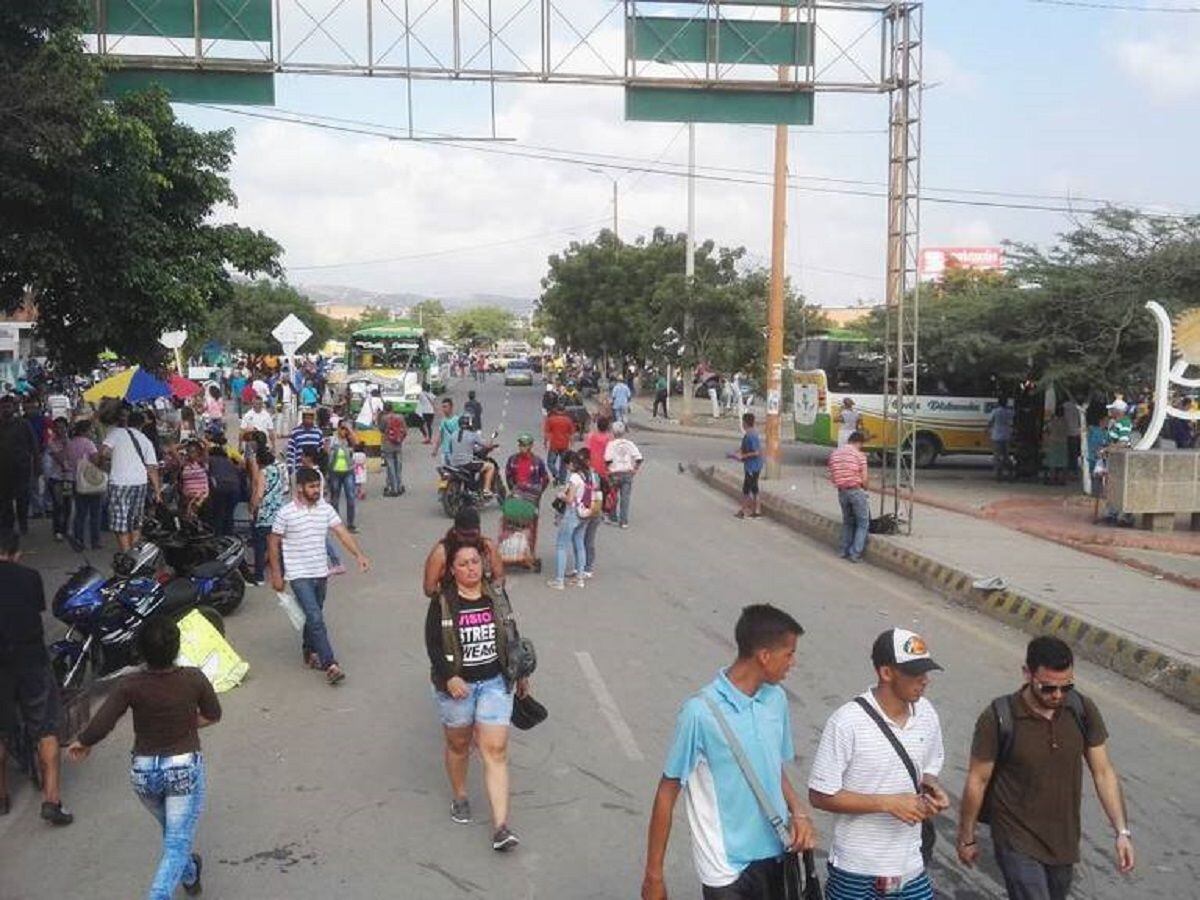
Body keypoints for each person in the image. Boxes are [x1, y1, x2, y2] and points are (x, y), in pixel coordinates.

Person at [641, 604, 815, 900]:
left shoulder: (776, 700)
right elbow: (667, 793)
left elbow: (773, 767)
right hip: (725, 870)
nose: (793, 662)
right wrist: (653, 877)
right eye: (789, 653)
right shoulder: (700, 713)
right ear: (764, 656)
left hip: (775, 853)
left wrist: (798, 812)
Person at [956, 636, 1134, 900]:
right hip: (1015, 838)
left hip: (1063, 841)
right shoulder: (998, 717)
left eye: (1066, 687)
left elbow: (1103, 772)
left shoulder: (1081, 709)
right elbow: (977, 781)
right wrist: (967, 836)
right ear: (1027, 674)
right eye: (1048, 688)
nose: (1058, 696)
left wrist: (1121, 832)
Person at [68, 616, 220, 898]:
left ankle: (189, 874)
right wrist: (185, 723)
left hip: (144, 774)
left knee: (174, 834)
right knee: (176, 841)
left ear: (141, 650)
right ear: (176, 647)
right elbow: (213, 715)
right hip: (183, 768)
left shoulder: (130, 684)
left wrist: (84, 741)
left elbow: (105, 719)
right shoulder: (193, 678)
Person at [808, 629, 949, 900]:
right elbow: (820, 795)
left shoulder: (927, 714)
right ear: (886, 673)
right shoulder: (847, 722)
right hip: (856, 870)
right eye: (915, 673)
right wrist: (888, 803)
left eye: (926, 672)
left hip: (910, 865)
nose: (925, 680)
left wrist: (932, 791)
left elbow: (928, 770)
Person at [425, 543, 528, 852]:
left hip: (495, 682)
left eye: (475, 562)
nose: (471, 568)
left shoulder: (496, 597)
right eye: (463, 564)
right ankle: (460, 795)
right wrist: (449, 676)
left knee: (494, 750)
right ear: (452, 570)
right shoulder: (443, 602)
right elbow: (432, 643)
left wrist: (521, 673)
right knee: (459, 745)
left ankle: (501, 827)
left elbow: (512, 635)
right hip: (458, 688)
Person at [268, 468, 370, 685]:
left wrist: (358, 555)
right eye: (312, 487)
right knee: (315, 616)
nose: (317, 491)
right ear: (300, 488)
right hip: (298, 574)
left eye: (318, 486)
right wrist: (277, 574)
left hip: (320, 572)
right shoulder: (285, 513)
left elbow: (341, 532)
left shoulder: (325, 509)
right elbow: (273, 542)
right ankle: (330, 663)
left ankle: (309, 650)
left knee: (313, 615)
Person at [0, 531, 73, 824]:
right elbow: (35, 611)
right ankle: (52, 800)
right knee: (46, 727)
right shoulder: (30, 577)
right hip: (31, 659)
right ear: (17, 554)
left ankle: (2, 797)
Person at [101, 408, 163, 552]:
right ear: (142, 425)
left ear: (128, 422)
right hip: (140, 482)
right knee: (136, 520)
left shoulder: (116, 433)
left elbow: (103, 452)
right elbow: (152, 468)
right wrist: (158, 491)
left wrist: (107, 460)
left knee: (120, 521)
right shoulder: (145, 440)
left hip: (119, 483)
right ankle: (134, 552)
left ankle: (126, 552)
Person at [423, 507, 506, 598]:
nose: (468, 540)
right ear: (455, 531)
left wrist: (488, 590)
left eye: (472, 535)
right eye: (464, 535)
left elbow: (500, 577)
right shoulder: (441, 552)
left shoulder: (487, 547)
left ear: (479, 531)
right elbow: (429, 589)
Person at [547, 451, 587, 590]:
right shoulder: (585, 474)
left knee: (561, 546)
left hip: (572, 513)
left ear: (570, 464)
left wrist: (561, 495)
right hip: (584, 513)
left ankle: (559, 580)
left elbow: (569, 499)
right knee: (580, 543)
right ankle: (580, 577)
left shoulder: (575, 478)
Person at [827, 431, 870, 563]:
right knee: (863, 523)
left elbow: (832, 475)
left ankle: (843, 550)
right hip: (856, 490)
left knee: (847, 522)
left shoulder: (834, 455)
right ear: (859, 443)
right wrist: (865, 488)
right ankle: (855, 553)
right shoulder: (860, 455)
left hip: (842, 491)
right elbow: (865, 479)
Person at [249, 445, 287, 586]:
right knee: (277, 545)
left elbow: (259, 494)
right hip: (278, 513)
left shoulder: (262, 472)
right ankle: (282, 574)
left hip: (265, 514)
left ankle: (259, 577)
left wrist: (253, 508)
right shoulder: (278, 470)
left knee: (260, 546)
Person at [0, 395, 37, 535]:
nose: (6, 410)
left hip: (21, 468)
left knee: (22, 498)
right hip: (2, 470)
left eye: (8, 407)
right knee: (4, 500)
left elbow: (34, 445)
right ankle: (7, 526)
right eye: (3, 407)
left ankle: (23, 523)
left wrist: (37, 465)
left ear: (13, 408)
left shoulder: (23, 424)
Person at [66, 419, 102, 550]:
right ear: (85, 431)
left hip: (76, 480)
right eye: (91, 430)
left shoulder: (70, 443)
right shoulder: (89, 444)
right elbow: (95, 460)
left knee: (80, 513)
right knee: (94, 513)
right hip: (90, 480)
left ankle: (79, 539)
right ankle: (95, 541)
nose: (92, 432)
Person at [604, 421, 642, 528]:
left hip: (615, 473)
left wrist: (607, 470)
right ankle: (624, 521)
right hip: (627, 472)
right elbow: (639, 458)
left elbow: (607, 460)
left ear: (613, 432)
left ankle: (613, 516)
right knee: (625, 498)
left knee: (613, 495)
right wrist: (635, 469)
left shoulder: (611, 444)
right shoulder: (629, 444)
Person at [449, 416, 497, 496]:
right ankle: (486, 490)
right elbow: (487, 445)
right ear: (470, 424)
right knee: (490, 466)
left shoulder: (453, 434)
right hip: (467, 463)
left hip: (454, 464)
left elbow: (452, 448)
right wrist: (492, 440)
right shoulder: (473, 435)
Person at [326, 422, 360, 533]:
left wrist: (350, 431)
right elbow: (326, 451)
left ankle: (351, 524)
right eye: (342, 428)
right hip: (334, 472)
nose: (344, 431)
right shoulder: (333, 439)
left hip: (348, 472)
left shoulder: (349, 440)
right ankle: (336, 523)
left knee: (351, 497)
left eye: (346, 429)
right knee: (335, 497)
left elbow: (357, 443)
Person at [574, 447, 603, 579]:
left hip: (593, 510)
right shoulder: (578, 474)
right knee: (577, 539)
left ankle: (588, 568)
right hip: (581, 509)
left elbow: (596, 492)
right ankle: (579, 565)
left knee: (588, 540)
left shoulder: (593, 475)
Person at [43, 417, 73, 541]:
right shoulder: (51, 442)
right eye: (58, 427)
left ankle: (65, 529)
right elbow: (59, 458)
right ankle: (57, 530)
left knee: (67, 504)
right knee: (58, 504)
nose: (60, 430)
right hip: (56, 478)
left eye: (63, 427)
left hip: (68, 478)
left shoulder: (71, 441)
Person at [205, 437, 242, 537]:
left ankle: (219, 538)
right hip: (235, 489)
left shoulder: (211, 460)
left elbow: (207, 473)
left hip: (220, 488)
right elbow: (239, 470)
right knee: (229, 514)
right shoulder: (229, 461)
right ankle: (229, 536)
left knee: (219, 514)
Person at [732, 413, 763, 519]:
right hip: (753, 465)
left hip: (752, 467)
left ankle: (743, 510)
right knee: (754, 488)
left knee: (746, 489)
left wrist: (743, 456)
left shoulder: (751, 436)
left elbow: (756, 452)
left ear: (745, 423)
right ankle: (757, 510)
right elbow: (743, 448)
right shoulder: (749, 434)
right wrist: (735, 454)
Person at [379, 402, 408, 497]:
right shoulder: (400, 417)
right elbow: (405, 431)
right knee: (398, 466)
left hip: (388, 444)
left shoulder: (384, 418)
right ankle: (399, 486)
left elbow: (381, 429)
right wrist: (400, 439)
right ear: (392, 408)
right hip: (398, 444)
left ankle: (393, 488)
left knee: (390, 466)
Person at [543, 402, 575, 484]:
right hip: (564, 444)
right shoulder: (568, 420)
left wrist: (545, 442)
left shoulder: (551, 420)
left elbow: (546, 433)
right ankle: (562, 480)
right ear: (564, 410)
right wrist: (572, 443)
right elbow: (571, 434)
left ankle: (556, 474)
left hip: (554, 445)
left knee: (550, 463)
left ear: (556, 410)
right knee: (563, 463)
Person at [177, 441, 210, 521]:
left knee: (195, 513)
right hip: (188, 496)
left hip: (201, 496)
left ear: (198, 452)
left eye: (194, 451)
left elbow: (207, 445)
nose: (191, 454)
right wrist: (184, 445)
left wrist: (198, 440)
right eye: (189, 451)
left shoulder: (202, 463)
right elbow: (172, 449)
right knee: (186, 517)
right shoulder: (184, 464)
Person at [287, 407, 325, 474]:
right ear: (303, 418)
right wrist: (290, 467)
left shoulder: (318, 432)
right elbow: (291, 451)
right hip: (299, 469)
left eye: (311, 418)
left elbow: (321, 450)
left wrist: (320, 467)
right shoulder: (295, 432)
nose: (309, 420)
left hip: (314, 468)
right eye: (307, 418)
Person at [989, 399, 1015, 481]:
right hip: (1006, 436)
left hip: (996, 436)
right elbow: (1013, 419)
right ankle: (1010, 473)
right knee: (1006, 456)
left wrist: (987, 429)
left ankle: (998, 475)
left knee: (997, 456)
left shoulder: (995, 411)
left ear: (998, 403)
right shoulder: (1009, 412)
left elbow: (990, 421)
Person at [1042, 406, 1068, 485]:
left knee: (1052, 462)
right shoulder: (1065, 422)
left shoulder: (1052, 422)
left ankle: (1052, 479)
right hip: (1063, 443)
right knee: (1062, 463)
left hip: (1053, 442)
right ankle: (1062, 480)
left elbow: (1045, 430)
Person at [433, 397, 459, 465]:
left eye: (445, 407)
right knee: (444, 473)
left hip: (454, 452)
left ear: (451, 407)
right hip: (444, 452)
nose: (443, 409)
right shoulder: (443, 421)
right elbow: (440, 436)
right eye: (443, 407)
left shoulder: (457, 420)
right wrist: (435, 449)